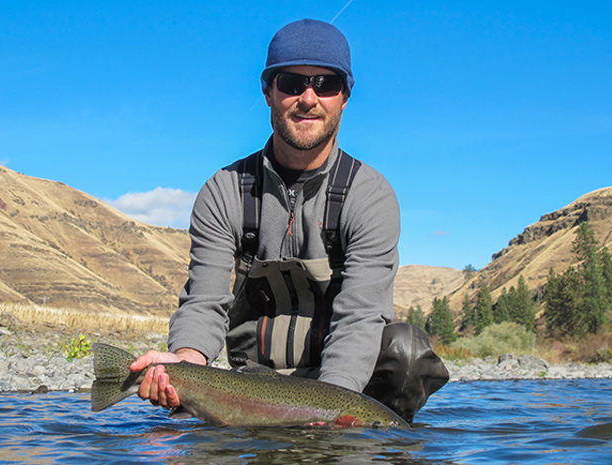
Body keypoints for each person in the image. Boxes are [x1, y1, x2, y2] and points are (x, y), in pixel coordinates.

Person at [131, 18, 449, 423]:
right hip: (249, 385)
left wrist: (332, 407)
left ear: (345, 96)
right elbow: (205, 301)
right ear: (268, 92)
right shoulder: (224, 190)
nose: (308, 98)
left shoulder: (369, 195)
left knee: (407, 351)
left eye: (325, 84)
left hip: (341, 383)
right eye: (292, 83)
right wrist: (183, 365)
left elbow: (361, 316)